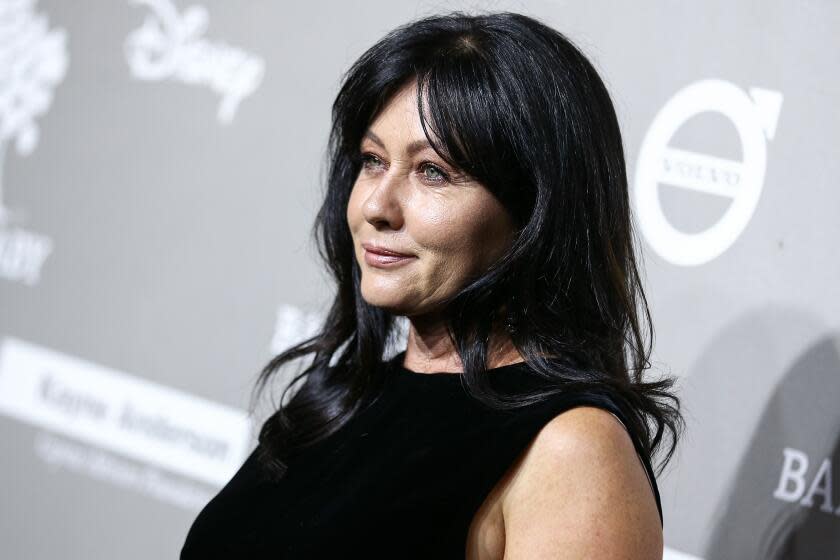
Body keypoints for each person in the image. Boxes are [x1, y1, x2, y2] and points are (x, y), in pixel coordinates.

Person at [181, 10, 684, 559]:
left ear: (535, 210)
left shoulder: (570, 450)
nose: (376, 205)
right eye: (372, 161)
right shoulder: (344, 398)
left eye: (433, 172)